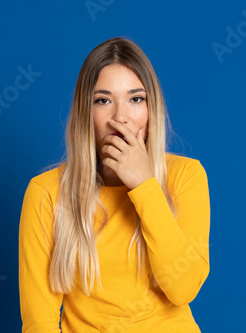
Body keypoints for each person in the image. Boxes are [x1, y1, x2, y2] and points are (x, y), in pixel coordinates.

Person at [19, 36, 210, 333]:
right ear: (86, 112)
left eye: (136, 99)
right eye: (103, 100)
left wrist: (145, 185)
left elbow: (183, 290)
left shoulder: (186, 176)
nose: (120, 117)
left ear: (151, 109)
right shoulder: (46, 193)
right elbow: (39, 322)